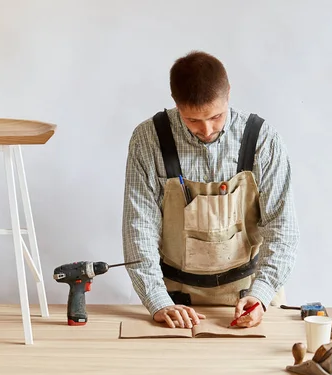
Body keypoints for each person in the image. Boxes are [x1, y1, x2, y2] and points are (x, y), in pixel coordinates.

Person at [122, 50, 300, 329]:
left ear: (228, 93)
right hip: (175, 298)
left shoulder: (264, 140)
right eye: (192, 120)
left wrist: (261, 293)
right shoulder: (148, 139)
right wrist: (157, 299)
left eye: (216, 116)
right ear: (175, 103)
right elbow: (138, 228)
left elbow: (282, 228)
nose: (206, 129)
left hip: (249, 291)